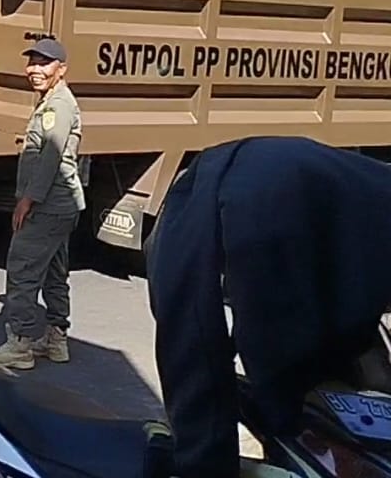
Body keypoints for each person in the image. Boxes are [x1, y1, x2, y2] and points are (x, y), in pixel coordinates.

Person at [147, 137, 391, 478]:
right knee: (282, 374)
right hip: (275, 194)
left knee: (190, 327)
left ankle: (200, 458)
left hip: (211, 175)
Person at [0, 37, 83, 370]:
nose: (34, 69)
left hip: (48, 204)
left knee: (23, 269)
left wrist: (27, 200)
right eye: (32, 62)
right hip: (62, 204)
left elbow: (51, 157)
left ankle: (20, 344)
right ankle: (56, 339)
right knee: (55, 272)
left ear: (62, 69)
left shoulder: (57, 106)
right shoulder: (54, 101)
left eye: (43, 63)